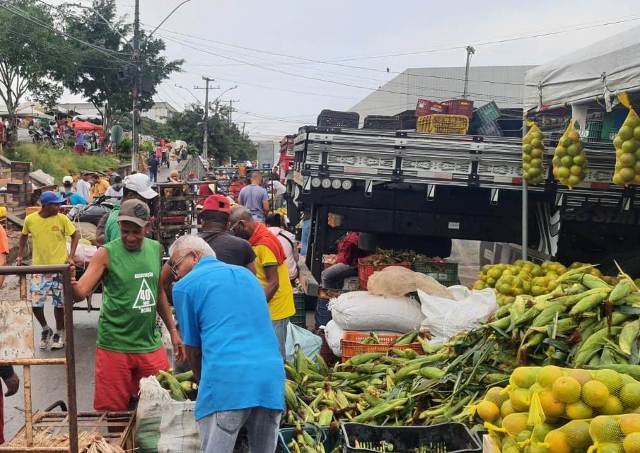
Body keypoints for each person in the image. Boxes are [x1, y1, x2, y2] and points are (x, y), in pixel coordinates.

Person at [168, 235, 284, 453]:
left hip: (228, 381)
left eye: (176, 266)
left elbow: (192, 348)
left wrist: (203, 383)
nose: (176, 274)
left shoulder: (185, 286)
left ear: (194, 257)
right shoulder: (247, 276)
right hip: (270, 379)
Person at [71, 199, 183, 412]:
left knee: (159, 407)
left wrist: (172, 330)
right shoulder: (106, 253)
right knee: (114, 412)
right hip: (114, 345)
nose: (130, 237)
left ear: (147, 227)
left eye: (136, 231)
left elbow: (157, 291)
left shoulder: (155, 249)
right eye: (125, 231)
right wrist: (71, 283)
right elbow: (81, 293)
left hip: (149, 344)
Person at [17, 191, 80, 350]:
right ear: (45, 205)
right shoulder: (30, 220)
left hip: (60, 269)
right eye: (56, 204)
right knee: (36, 304)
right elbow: (23, 236)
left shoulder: (62, 218)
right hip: (40, 269)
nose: (59, 206)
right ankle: (46, 328)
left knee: (59, 305)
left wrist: (71, 256)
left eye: (59, 203)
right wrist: (19, 256)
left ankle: (59, 332)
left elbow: (75, 235)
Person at [229, 206, 295, 358]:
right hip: (267, 304)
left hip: (275, 307)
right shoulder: (255, 240)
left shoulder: (264, 244)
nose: (234, 234)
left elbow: (273, 283)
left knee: (275, 353)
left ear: (242, 224)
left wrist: (254, 307)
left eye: (234, 229)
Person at [96, 173, 157, 245]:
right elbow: (121, 254)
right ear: (130, 195)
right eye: (143, 199)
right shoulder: (120, 221)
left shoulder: (128, 215)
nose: (146, 203)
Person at [266, 214, 298, 281]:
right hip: (290, 274)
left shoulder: (263, 236)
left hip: (271, 278)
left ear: (267, 225)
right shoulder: (290, 235)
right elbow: (296, 258)